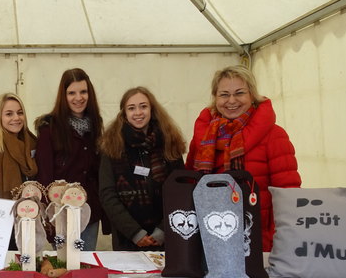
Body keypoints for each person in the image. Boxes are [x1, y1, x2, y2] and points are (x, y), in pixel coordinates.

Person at [186, 65, 301, 251]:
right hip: (209, 239)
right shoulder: (203, 137)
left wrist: (275, 241)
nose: (231, 100)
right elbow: (190, 185)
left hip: (258, 242)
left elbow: (289, 195)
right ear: (215, 98)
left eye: (239, 93)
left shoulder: (274, 135)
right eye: (224, 94)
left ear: (252, 96)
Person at [99, 87, 186, 251]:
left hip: (166, 238)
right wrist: (135, 233)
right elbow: (107, 194)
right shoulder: (111, 145)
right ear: (124, 113)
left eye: (143, 106)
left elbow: (180, 192)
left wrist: (163, 231)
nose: (138, 112)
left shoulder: (169, 142)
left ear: (152, 109)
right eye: (131, 108)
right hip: (127, 238)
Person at [34, 68, 106, 251]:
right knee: (64, 263)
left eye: (83, 92)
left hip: (89, 211)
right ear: (63, 96)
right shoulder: (49, 129)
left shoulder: (96, 125)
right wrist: (49, 216)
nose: (78, 98)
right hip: (60, 213)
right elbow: (44, 174)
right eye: (71, 93)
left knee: (84, 262)